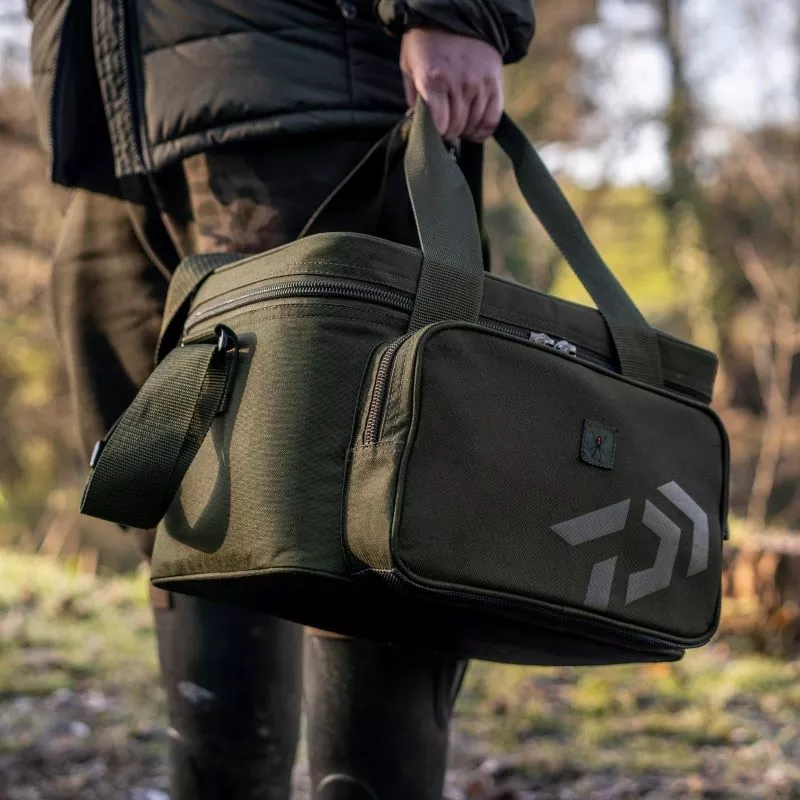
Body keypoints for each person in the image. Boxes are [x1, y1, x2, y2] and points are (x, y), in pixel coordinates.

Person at [28, 1, 535, 798]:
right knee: (184, 500)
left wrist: (456, 10)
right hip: (108, 118)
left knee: (365, 503)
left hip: (301, 83)